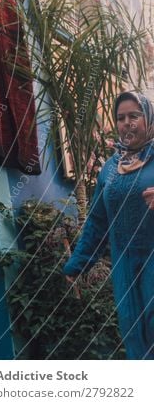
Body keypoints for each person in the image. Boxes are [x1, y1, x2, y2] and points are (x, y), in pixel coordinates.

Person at [63, 91, 154, 359]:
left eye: (134, 116)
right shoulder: (110, 170)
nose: (127, 122)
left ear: (149, 119)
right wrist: (77, 264)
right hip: (124, 263)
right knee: (132, 330)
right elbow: (97, 222)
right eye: (121, 117)